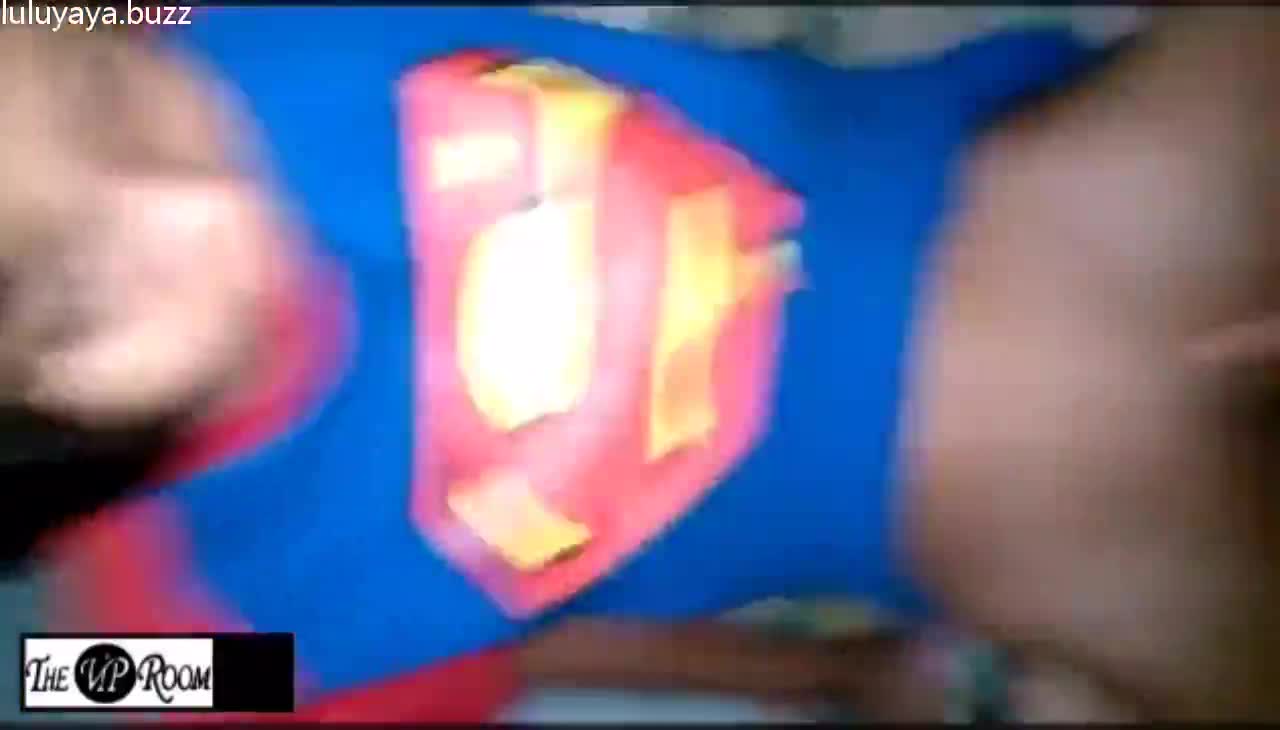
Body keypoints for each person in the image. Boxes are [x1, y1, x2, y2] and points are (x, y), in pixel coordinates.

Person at [4, 6, 1279, 721]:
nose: (210, 204)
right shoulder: (145, 653)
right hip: (994, 519)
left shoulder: (119, 21)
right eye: (77, 293)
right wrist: (828, 673)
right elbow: (524, 654)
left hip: (1015, 174)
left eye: (114, 96)